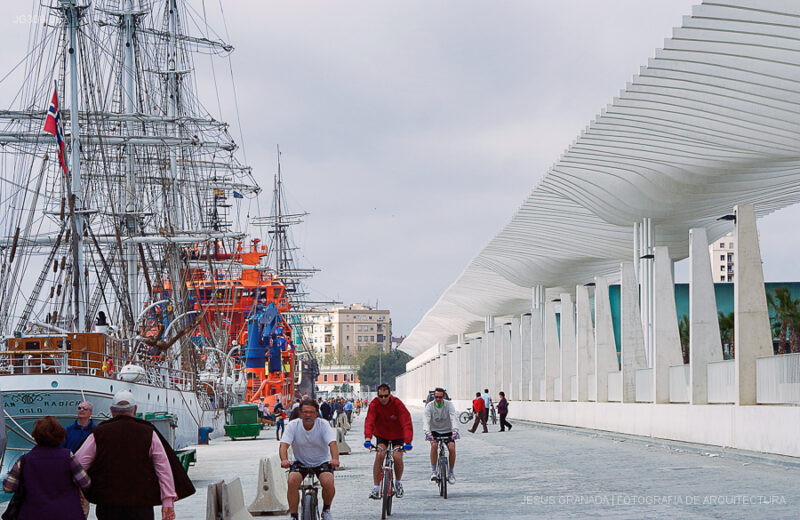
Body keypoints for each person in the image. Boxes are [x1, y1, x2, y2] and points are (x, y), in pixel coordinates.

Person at [75, 390, 194, 520]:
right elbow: (163, 468)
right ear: (135, 409)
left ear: (111, 410)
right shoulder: (148, 432)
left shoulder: (98, 433)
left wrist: (83, 491)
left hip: (108, 506)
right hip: (141, 506)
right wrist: (167, 501)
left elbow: (79, 465)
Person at [2, 416, 91, 520]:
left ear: (36, 436)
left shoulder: (25, 460)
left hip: (32, 514)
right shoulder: (68, 457)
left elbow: (8, 487)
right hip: (67, 513)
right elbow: (85, 483)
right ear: (60, 435)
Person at [279, 399, 339, 520]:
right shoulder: (293, 425)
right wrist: (284, 460)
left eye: (311, 412)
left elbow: (332, 443)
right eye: (305, 412)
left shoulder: (323, 425)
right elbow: (283, 446)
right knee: (292, 481)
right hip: (300, 461)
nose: (308, 415)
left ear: (316, 414)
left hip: (322, 461)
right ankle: (293, 515)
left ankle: (326, 510)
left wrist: (335, 459)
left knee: (328, 481)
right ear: (300, 413)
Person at [363, 384, 413, 499]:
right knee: (380, 454)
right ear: (377, 396)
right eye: (381, 396)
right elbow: (369, 421)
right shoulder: (374, 404)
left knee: (397, 456)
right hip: (382, 434)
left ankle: (398, 483)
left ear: (390, 395)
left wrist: (408, 442)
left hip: (398, 434)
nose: (383, 398)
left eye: (386, 396)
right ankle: (376, 488)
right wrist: (368, 439)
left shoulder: (397, 403)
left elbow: (406, 422)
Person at [422, 387, 458, 484]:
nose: (438, 399)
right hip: (434, 431)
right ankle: (434, 471)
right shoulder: (429, 406)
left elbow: (453, 417)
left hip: (448, 431)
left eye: (440, 397)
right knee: (434, 445)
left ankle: (451, 472)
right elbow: (426, 420)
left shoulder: (449, 404)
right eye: (436, 397)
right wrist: (428, 433)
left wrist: (455, 431)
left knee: (452, 448)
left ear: (444, 397)